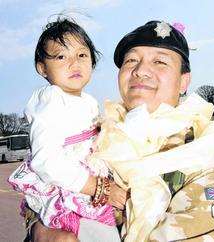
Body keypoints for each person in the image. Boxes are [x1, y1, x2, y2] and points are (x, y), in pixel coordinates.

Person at [17, 19, 214, 241]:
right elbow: (47, 183)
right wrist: (39, 228)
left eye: (160, 62)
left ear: (183, 81)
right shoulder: (105, 130)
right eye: (131, 60)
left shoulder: (202, 156)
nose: (141, 70)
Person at [8, 17, 126, 242]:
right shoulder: (50, 99)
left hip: (84, 185)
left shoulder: (88, 101)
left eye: (82, 55)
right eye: (61, 56)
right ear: (42, 68)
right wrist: (99, 187)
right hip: (65, 187)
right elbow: (47, 161)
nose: (75, 63)